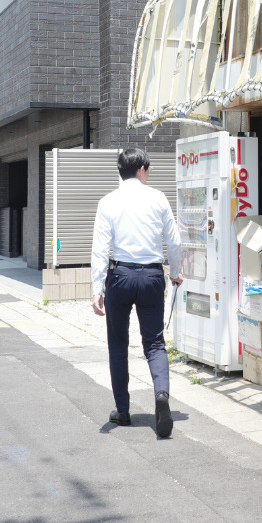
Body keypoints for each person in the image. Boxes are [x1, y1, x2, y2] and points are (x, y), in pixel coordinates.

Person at [91, 147, 182, 438]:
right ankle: (162, 396)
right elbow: (174, 241)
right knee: (154, 342)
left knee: (118, 343)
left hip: (120, 276)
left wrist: (96, 287)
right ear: (141, 169)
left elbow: (99, 248)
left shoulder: (108, 201)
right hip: (152, 275)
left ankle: (123, 411)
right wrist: (176, 271)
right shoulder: (157, 198)